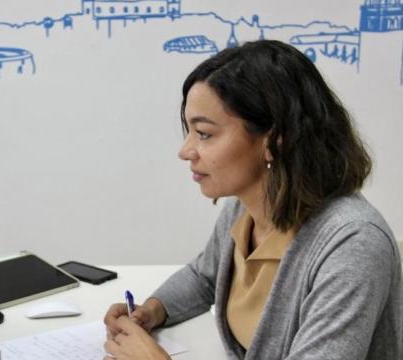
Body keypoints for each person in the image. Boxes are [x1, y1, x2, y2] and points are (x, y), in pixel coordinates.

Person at [104, 40, 402, 359]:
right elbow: (204, 276)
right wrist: (153, 310)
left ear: (274, 141)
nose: (185, 150)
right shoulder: (245, 206)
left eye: (204, 134)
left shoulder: (353, 244)